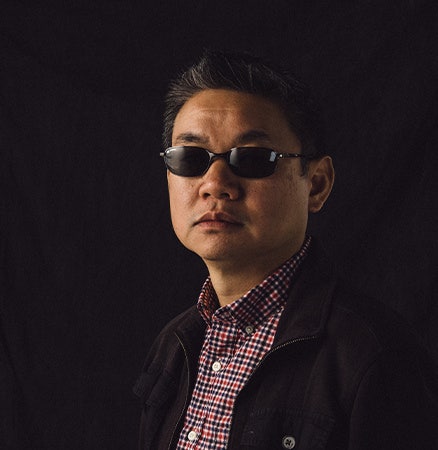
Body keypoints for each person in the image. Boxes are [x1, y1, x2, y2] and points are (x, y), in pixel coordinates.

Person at [134, 50, 437, 450]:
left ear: (316, 184)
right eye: (191, 158)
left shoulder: (374, 358)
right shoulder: (176, 345)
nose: (215, 183)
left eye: (254, 158)